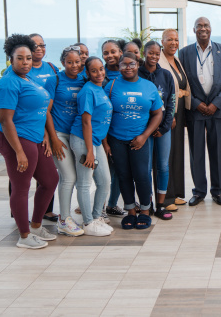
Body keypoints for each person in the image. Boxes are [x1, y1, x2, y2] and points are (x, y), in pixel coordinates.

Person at [0, 34, 59, 249]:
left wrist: (46, 136)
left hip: (35, 137)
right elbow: (5, 119)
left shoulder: (26, 78)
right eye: (20, 58)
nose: (25, 62)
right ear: (10, 59)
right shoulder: (7, 83)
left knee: (50, 180)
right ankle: (24, 235)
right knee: (22, 187)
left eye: (29, 58)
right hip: (17, 138)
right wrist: (19, 152)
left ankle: (37, 225)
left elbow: (40, 111)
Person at [179, 17, 221, 206]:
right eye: (199, 26)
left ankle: (218, 192)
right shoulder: (185, 53)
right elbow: (182, 81)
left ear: (211, 29)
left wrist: (216, 104)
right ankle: (199, 191)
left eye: (206, 26)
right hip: (195, 110)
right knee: (197, 153)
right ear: (194, 30)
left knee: (217, 152)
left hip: (216, 110)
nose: (203, 29)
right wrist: (196, 103)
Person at [106, 53, 164, 228]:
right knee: (123, 175)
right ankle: (130, 211)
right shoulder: (111, 86)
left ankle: (145, 211)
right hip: (116, 139)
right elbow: (103, 113)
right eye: (124, 64)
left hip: (140, 139)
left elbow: (158, 113)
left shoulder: (149, 86)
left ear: (138, 64)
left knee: (141, 175)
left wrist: (144, 136)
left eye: (131, 64)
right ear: (120, 66)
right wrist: (106, 141)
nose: (128, 67)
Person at [69, 57, 114, 237]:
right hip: (83, 140)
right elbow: (86, 122)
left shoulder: (100, 89)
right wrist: (89, 151)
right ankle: (87, 222)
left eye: (101, 69)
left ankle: (96, 218)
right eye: (94, 71)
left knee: (105, 181)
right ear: (87, 74)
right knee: (85, 183)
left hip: (95, 141)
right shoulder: (88, 91)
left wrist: (102, 144)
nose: (99, 73)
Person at [46, 46, 85, 237]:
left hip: (78, 135)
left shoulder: (84, 79)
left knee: (74, 178)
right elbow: (46, 110)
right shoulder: (55, 80)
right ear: (63, 63)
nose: (74, 65)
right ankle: (63, 219)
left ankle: (71, 216)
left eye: (77, 62)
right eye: (70, 62)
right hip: (59, 135)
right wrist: (53, 138)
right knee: (68, 177)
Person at [139, 42, 176, 218]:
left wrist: (164, 127)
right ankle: (148, 204)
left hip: (163, 129)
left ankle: (161, 205)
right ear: (144, 53)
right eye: (150, 53)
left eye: (156, 53)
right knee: (145, 168)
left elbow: (171, 103)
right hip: (144, 129)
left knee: (163, 166)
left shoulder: (166, 75)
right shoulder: (137, 75)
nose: (153, 56)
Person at [158, 29, 190, 206]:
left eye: (176, 40)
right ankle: (166, 196)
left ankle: (176, 192)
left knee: (177, 153)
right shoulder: (161, 62)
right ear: (162, 41)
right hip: (169, 113)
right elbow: (162, 91)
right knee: (166, 156)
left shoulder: (176, 60)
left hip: (180, 111)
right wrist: (170, 115)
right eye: (169, 39)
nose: (174, 43)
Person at [101, 39, 125, 217]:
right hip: (104, 131)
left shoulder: (129, 72)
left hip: (122, 130)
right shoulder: (99, 74)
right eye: (106, 53)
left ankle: (112, 204)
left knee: (118, 170)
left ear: (121, 52)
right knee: (102, 172)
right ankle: (98, 207)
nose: (110, 56)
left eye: (113, 51)